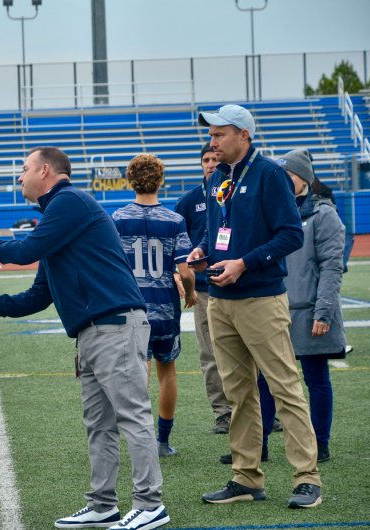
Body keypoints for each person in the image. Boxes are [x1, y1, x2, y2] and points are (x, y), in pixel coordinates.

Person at [0, 146, 170, 530]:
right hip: (92, 331)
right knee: (99, 424)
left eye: (24, 169)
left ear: (45, 171)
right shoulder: (58, 219)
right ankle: (103, 504)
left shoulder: (70, 201)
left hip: (114, 325)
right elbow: (38, 295)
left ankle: (150, 503)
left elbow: (25, 251)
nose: (19, 177)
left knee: (132, 415)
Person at [189, 105, 323, 509]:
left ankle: (307, 478)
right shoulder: (218, 179)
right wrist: (204, 250)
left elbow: (290, 235)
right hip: (221, 301)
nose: (212, 143)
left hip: (261, 299)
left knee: (284, 387)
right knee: (238, 394)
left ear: (243, 135)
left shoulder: (268, 175)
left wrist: (244, 263)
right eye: (210, 136)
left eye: (220, 135)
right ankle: (246, 476)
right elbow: (220, 234)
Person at [112, 153, 196, 458]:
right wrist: (190, 292)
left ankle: (141, 441)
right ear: (160, 180)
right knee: (167, 372)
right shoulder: (174, 220)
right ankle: (162, 441)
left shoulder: (118, 219)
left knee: (137, 375)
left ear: (130, 180)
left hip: (133, 308)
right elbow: (185, 271)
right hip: (165, 308)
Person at [279, 148, 346, 463]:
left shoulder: (324, 214)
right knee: (266, 379)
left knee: (316, 378)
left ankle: (321, 443)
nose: (283, 180)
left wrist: (323, 312)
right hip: (276, 310)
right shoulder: (276, 211)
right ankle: (260, 443)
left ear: (304, 178)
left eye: (289, 174)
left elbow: (332, 267)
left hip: (309, 311)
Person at [174, 142, 232, 434]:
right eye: (206, 160)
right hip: (205, 288)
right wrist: (183, 278)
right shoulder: (187, 201)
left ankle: (260, 410)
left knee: (243, 353)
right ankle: (222, 413)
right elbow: (178, 244)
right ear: (200, 164)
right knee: (210, 354)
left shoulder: (232, 192)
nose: (210, 164)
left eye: (214, 159)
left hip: (235, 284)